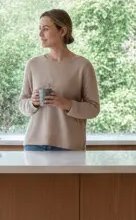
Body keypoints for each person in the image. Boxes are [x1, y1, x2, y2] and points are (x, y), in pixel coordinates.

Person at [19, 9, 100, 151]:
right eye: (39, 29)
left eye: (45, 29)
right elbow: (22, 104)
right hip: (34, 144)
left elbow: (93, 109)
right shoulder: (33, 64)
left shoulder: (83, 66)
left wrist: (66, 104)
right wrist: (32, 102)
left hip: (68, 146)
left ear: (62, 31)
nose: (40, 34)